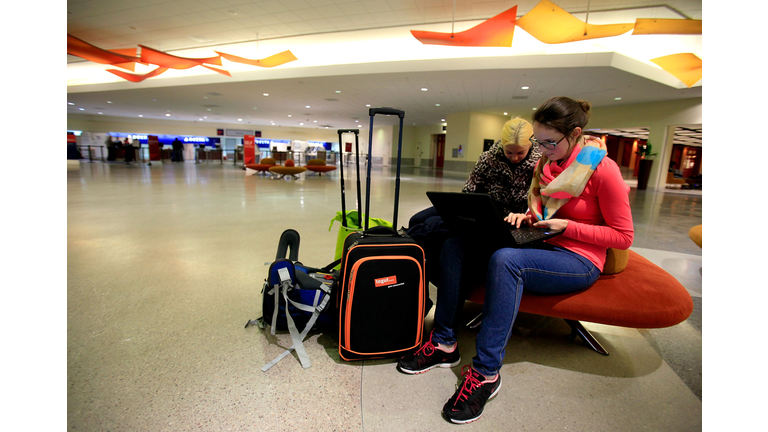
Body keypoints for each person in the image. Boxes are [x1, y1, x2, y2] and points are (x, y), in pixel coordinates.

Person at [397, 96, 634, 424]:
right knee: (455, 243)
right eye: (539, 140)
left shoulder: (603, 170)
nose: (542, 149)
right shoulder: (547, 165)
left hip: (578, 259)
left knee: (507, 260)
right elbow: (544, 210)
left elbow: (623, 237)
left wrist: (568, 227)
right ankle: (444, 342)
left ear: (576, 133)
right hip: (541, 241)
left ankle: (486, 372)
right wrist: (527, 217)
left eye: (549, 142)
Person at [407, 117, 542, 285]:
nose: (514, 158)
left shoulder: (541, 162)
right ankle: (413, 265)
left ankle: (422, 256)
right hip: (485, 209)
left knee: (432, 226)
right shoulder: (488, 158)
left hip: (512, 219)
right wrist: (471, 207)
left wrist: (524, 214)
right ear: (502, 145)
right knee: (417, 219)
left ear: (531, 144)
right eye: (509, 152)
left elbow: (542, 202)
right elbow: (470, 189)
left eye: (520, 152)